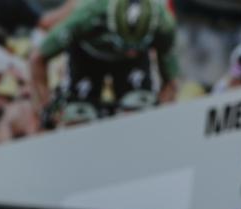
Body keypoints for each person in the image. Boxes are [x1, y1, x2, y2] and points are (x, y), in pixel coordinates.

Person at [31, 0, 180, 126]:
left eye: (134, 47)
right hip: (87, 56)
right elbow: (38, 58)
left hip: (133, 63)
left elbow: (171, 82)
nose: (129, 51)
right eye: (125, 45)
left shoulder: (164, 23)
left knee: (141, 105)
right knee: (79, 114)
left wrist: (160, 114)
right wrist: (46, 107)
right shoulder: (87, 14)